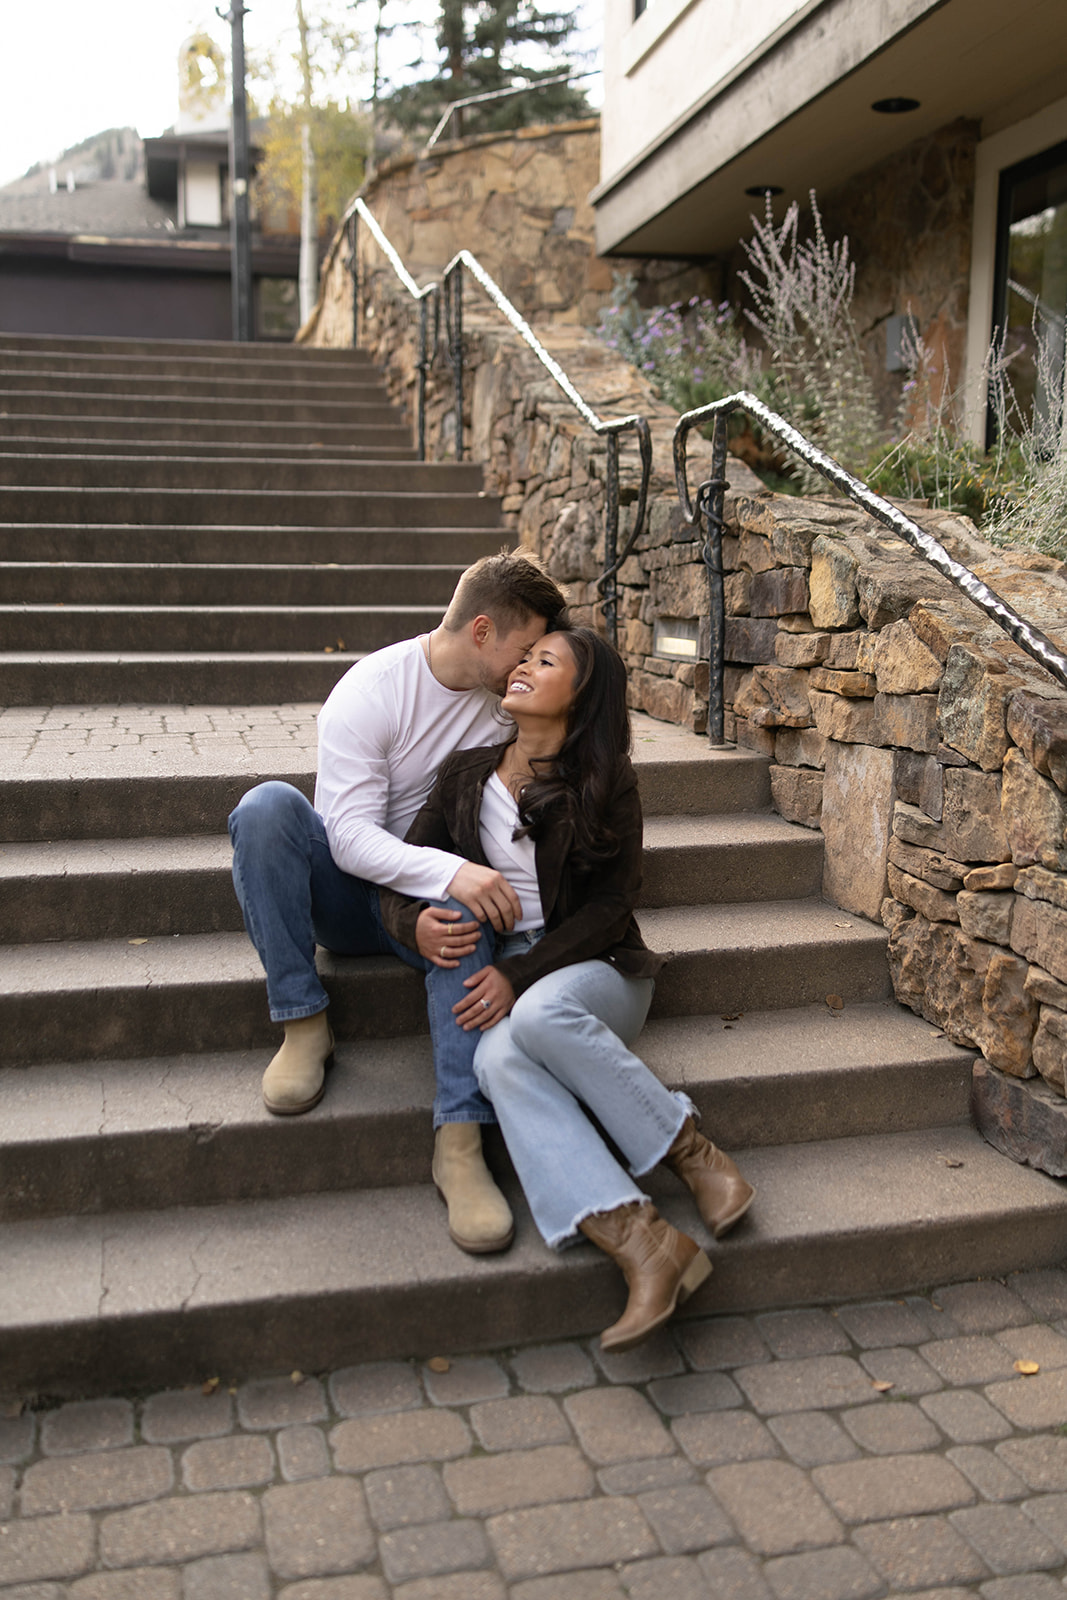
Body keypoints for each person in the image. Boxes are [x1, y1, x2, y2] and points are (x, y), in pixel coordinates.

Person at [380, 627, 755, 1352]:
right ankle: (643, 1242)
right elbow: (405, 868)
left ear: (579, 694)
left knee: (543, 1011)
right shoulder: (463, 776)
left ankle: (692, 1154)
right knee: (492, 1062)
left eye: (543, 661)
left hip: (598, 970)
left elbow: (612, 907)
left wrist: (518, 974)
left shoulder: (605, 779)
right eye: (523, 658)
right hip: (517, 971)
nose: (521, 667)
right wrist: (412, 926)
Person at [228, 549, 568, 1255]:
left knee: (464, 895)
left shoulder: (507, 704)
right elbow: (347, 837)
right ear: (481, 631)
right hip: (351, 904)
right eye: (522, 647)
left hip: (438, 917)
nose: (527, 664)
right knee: (266, 810)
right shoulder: (374, 690)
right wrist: (448, 871)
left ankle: (459, 1141)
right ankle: (303, 1023)